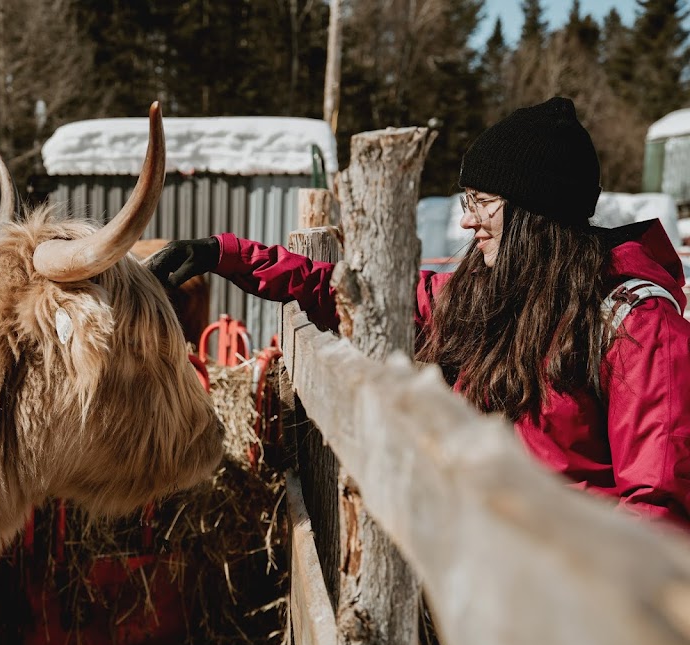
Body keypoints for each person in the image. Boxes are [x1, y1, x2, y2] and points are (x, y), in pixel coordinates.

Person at [146, 96, 690, 532]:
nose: (468, 222)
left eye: (482, 202)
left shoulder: (637, 325)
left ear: (535, 210)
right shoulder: (493, 295)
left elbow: (658, 506)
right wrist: (227, 255)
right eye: (467, 201)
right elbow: (358, 296)